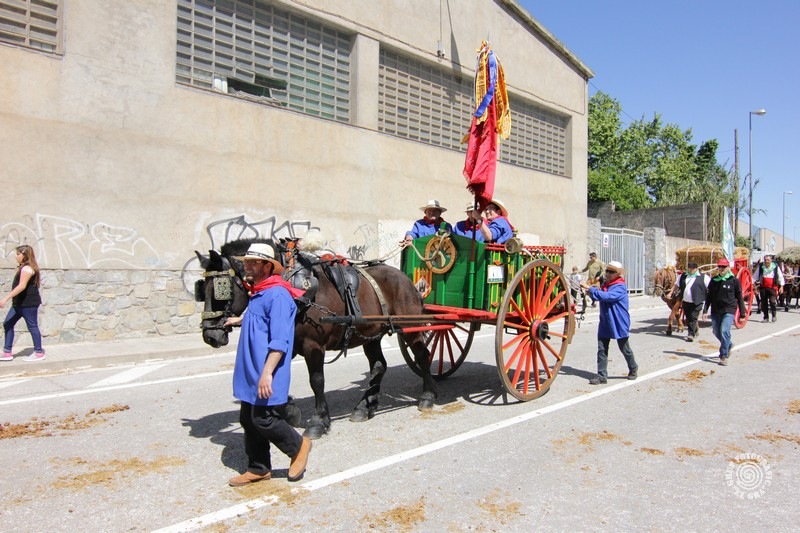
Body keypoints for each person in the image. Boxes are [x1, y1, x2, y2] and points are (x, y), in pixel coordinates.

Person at [223, 242, 311, 486]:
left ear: (267, 266)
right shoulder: (260, 291)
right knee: (248, 418)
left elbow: (280, 340)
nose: (247, 266)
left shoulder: (278, 295)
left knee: (264, 418)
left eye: (253, 262)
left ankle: (299, 446)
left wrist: (267, 373)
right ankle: (259, 467)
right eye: (246, 262)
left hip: (267, 368)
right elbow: (259, 317)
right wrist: (239, 320)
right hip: (251, 367)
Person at [581, 260, 638, 384]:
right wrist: (590, 292)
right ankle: (602, 375)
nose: (608, 273)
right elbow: (599, 295)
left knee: (624, 348)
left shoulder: (620, 286)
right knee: (602, 349)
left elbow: (607, 296)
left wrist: (590, 288)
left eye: (611, 272)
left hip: (618, 321)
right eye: (607, 271)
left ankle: (633, 368)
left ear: (618, 274)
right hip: (605, 321)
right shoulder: (606, 285)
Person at [1, 245, 45, 362]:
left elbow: (21, 286)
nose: (16, 257)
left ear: (25, 255)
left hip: (28, 304)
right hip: (18, 304)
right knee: (8, 323)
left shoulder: (27, 269)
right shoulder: (23, 267)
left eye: (18, 254)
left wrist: (6, 298)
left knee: (32, 326)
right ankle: (7, 352)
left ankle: (38, 352)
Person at [702, 257, 746, 366]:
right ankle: (728, 344)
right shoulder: (714, 280)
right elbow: (709, 297)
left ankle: (723, 355)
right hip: (716, 309)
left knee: (724, 331)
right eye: (719, 266)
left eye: (724, 267)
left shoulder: (734, 281)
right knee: (716, 331)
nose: (721, 269)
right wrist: (705, 310)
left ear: (728, 267)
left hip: (729, 309)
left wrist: (742, 314)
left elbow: (739, 298)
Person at [673, 262, 709, 342]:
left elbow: (710, 287)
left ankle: (691, 334)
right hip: (686, 301)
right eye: (689, 268)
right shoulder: (682, 276)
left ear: (696, 269)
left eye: (693, 268)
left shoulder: (703, 277)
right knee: (688, 318)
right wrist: (671, 292)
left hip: (698, 301)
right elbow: (677, 285)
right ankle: (695, 330)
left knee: (693, 316)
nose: (691, 270)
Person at [753, 254, 784, 322]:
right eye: (765, 260)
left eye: (768, 260)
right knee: (764, 303)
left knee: (772, 302)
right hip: (763, 287)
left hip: (772, 287)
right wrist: (752, 283)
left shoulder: (775, 267)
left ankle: (774, 315)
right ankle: (766, 317)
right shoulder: (761, 266)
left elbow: (780, 276)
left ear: (771, 260)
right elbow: (755, 276)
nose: (766, 261)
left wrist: (781, 286)